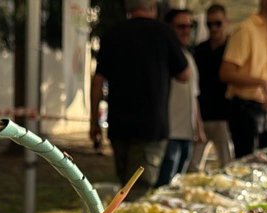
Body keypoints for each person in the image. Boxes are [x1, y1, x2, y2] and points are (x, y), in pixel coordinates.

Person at [90, 0, 189, 192]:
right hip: (151, 126)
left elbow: (97, 82)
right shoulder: (163, 32)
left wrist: (94, 122)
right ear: (152, 7)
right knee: (138, 190)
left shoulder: (113, 34)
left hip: (119, 126)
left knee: (125, 186)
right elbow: (184, 74)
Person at [219, 0, 267, 158]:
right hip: (244, 108)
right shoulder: (246, 29)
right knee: (247, 164)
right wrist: (261, 83)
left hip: (266, 110)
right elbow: (226, 73)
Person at [157, 9, 204, 187]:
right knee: (164, 186)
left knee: (178, 186)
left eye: (190, 26)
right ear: (169, 28)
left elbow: (194, 96)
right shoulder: (162, 56)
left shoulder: (189, 57)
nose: (187, 31)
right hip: (169, 134)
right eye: (181, 26)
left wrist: (198, 128)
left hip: (187, 134)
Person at [189, 4, 233, 172]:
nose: (213, 28)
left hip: (224, 117)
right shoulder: (199, 50)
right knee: (193, 166)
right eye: (209, 24)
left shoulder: (232, 49)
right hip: (202, 116)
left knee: (227, 164)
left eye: (218, 23)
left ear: (226, 22)